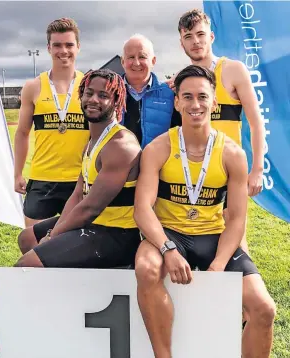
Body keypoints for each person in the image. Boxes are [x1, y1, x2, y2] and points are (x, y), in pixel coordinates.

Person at [134, 66, 276, 358]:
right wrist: (168, 248)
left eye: (202, 97)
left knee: (263, 308)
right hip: (170, 234)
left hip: (213, 238)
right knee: (147, 268)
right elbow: (142, 209)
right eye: (187, 97)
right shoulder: (159, 148)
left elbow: (236, 218)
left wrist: (219, 264)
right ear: (177, 102)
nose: (195, 104)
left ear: (214, 102)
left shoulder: (232, 154)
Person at [15, 68, 141, 269]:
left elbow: (90, 208)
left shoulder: (121, 145)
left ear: (116, 101)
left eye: (103, 95)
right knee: (27, 238)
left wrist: (52, 237)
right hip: (95, 225)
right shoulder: (92, 142)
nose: (93, 99)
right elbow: (77, 196)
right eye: (89, 93)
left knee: (27, 264)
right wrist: (55, 232)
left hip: (117, 234)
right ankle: (62, 291)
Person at [171, 9, 265, 253]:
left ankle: (244, 285)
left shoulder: (233, 70)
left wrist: (257, 169)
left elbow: (256, 122)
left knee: (235, 241)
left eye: (200, 34)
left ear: (211, 37)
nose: (196, 41)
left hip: (227, 171)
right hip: (192, 175)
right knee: (196, 240)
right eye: (188, 36)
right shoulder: (183, 80)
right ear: (181, 43)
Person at [14, 18, 89, 230]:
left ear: (78, 47)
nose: (63, 51)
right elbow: (21, 133)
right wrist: (18, 173)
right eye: (57, 45)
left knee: (77, 246)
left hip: (80, 181)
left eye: (69, 45)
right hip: (42, 179)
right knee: (32, 242)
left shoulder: (89, 86)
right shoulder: (33, 87)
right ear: (48, 48)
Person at [121, 34, 181, 148]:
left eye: (142, 57)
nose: (137, 63)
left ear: (153, 61)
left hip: (159, 165)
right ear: (122, 61)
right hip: (119, 165)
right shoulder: (109, 93)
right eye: (131, 57)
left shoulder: (170, 94)